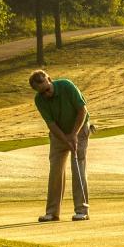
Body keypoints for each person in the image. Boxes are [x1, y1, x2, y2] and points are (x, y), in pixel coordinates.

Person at [28, 69, 91, 222]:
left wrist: (74, 135)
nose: (46, 94)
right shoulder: (39, 100)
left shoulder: (66, 86)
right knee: (55, 169)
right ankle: (52, 212)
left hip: (80, 127)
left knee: (77, 166)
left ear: (50, 79)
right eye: (42, 93)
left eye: (47, 90)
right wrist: (66, 139)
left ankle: (82, 210)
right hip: (59, 134)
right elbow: (51, 125)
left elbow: (82, 111)